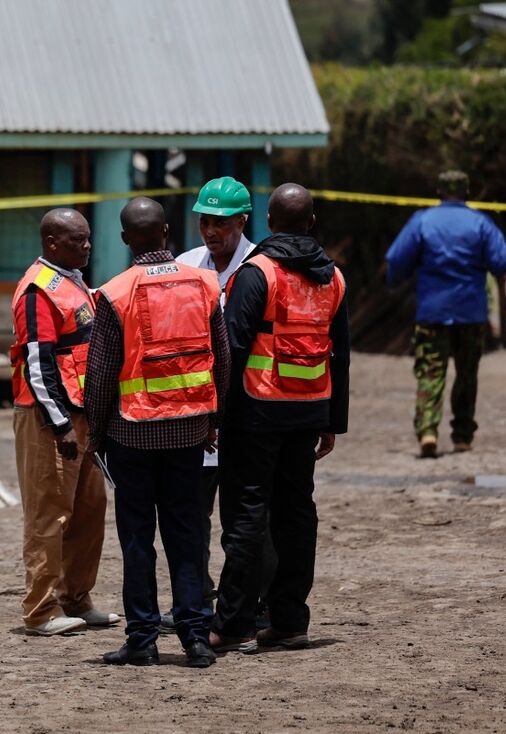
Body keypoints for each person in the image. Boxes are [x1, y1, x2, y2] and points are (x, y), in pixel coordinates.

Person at [85, 197, 230, 668]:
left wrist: (96, 431)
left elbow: (102, 373)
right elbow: (222, 359)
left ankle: (143, 638)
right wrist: (213, 417)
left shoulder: (114, 292)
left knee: (136, 540)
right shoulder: (205, 283)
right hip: (190, 434)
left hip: (132, 435)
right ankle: (195, 637)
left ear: (126, 239)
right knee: (188, 537)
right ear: (167, 232)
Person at [210, 184, 350, 653]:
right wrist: (334, 420)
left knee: (246, 516)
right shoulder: (334, 277)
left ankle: (232, 625)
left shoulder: (258, 273)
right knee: (297, 515)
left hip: (256, 410)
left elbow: (231, 350)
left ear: (268, 220)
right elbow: (341, 356)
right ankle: (289, 621)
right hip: (309, 409)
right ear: (311, 222)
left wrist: (216, 414)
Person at [9, 208, 119, 636]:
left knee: (89, 511)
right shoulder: (37, 291)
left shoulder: (72, 283)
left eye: (88, 239)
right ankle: (41, 610)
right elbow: (38, 363)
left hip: (83, 416)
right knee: (48, 516)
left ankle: (77, 597)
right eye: (78, 241)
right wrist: (60, 426)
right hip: (48, 419)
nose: (87, 247)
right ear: (52, 243)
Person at [172, 176, 265, 610]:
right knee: (190, 517)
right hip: (194, 415)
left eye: (222, 223)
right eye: (205, 221)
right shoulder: (185, 266)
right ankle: (195, 599)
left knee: (246, 521)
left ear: (243, 221)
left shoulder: (261, 269)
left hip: (245, 415)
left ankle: (247, 602)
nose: (212, 231)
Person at [386, 170, 506, 458]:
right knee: (467, 374)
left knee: (430, 373)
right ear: (467, 192)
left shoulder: (422, 221)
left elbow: (396, 260)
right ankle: (462, 435)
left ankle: (427, 431)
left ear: (439, 191)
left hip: (432, 312)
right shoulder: (480, 223)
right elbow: (502, 261)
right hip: (471, 313)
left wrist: (396, 281)